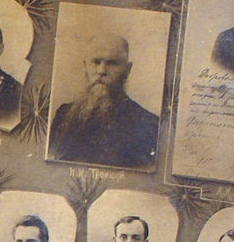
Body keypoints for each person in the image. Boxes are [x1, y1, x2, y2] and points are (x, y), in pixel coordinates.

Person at [49, 34, 160, 168]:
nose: (101, 71)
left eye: (112, 63)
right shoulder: (63, 114)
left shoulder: (148, 124)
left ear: (127, 69)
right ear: (85, 65)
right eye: (96, 62)